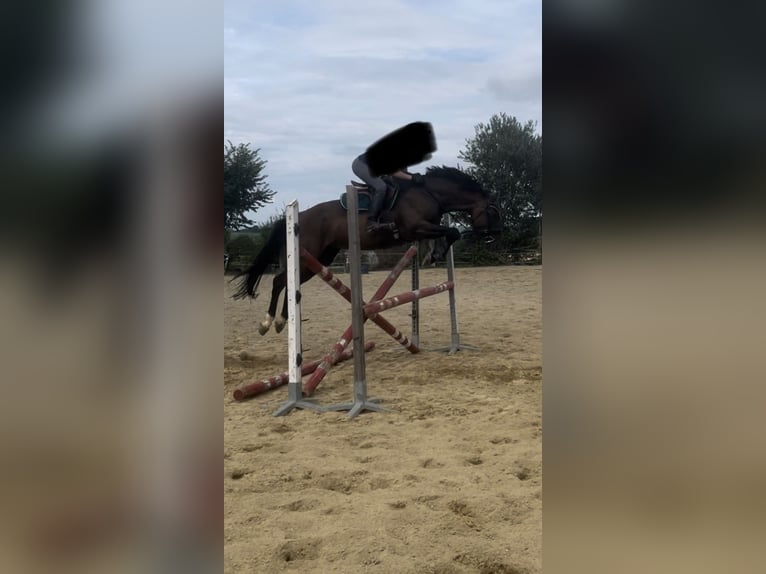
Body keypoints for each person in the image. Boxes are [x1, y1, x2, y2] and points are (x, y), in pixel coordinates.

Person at [351, 152, 425, 232]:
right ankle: (371, 222)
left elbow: (403, 174)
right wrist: (412, 177)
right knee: (381, 187)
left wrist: (413, 177)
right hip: (361, 165)